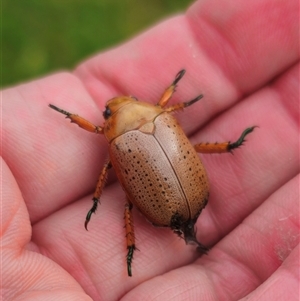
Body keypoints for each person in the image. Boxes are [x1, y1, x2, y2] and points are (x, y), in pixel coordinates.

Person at [2, 0, 299, 300]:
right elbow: (170, 102)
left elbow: (101, 152)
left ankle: (132, 247)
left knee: (126, 201)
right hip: (184, 195)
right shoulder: (161, 111)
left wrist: (96, 198)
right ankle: (230, 146)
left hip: (174, 199)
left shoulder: (120, 132)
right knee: (171, 165)